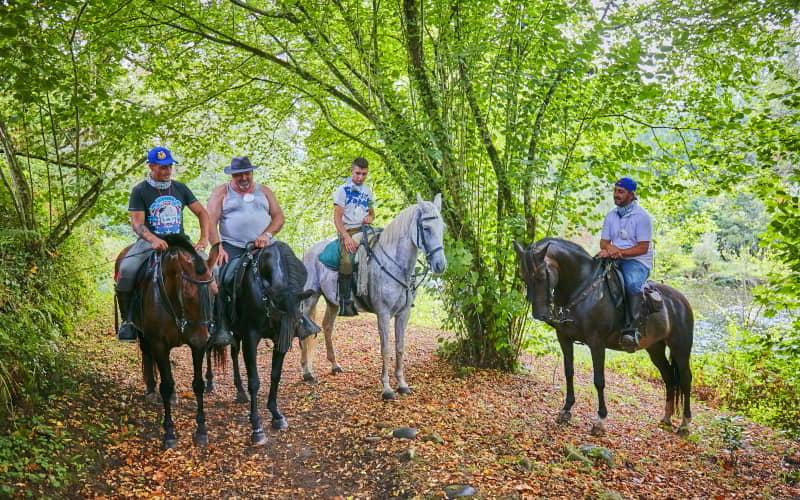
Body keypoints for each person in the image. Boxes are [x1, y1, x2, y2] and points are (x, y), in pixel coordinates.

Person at [116, 146, 210, 342]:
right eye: (162, 167)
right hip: (150, 242)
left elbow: (202, 212)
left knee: (210, 272)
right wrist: (153, 239)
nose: (167, 171)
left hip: (180, 242)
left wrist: (204, 238)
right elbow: (137, 223)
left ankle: (212, 321)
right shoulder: (140, 190)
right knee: (127, 269)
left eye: (169, 167)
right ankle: (128, 323)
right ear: (151, 166)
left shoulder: (180, 188)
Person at [207, 156, 285, 344]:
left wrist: (266, 235)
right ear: (232, 175)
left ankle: (294, 318)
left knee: (287, 272)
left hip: (264, 246)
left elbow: (278, 217)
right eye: (238, 175)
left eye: (247, 173)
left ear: (252, 173)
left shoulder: (264, 191)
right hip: (233, 247)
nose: (243, 178)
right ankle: (221, 326)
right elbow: (210, 221)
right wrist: (218, 247)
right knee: (220, 275)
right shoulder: (221, 192)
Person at [598, 177, 654, 352]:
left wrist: (617, 252)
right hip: (614, 257)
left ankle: (632, 329)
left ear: (631, 194)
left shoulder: (642, 217)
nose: (616, 195)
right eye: (615, 191)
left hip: (636, 261)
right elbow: (603, 242)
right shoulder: (611, 215)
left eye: (620, 192)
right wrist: (610, 249)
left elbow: (643, 248)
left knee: (631, 285)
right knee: (590, 274)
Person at [333, 157, 375, 316]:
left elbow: (372, 213)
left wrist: (370, 218)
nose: (360, 177)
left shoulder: (368, 191)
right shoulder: (342, 190)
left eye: (364, 174)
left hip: (366, 229)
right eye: (358, 173)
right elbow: (337, 218)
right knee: (346, 260)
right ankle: (345, 302)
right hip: (348, 230)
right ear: (352, 171)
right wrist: (346, 237)